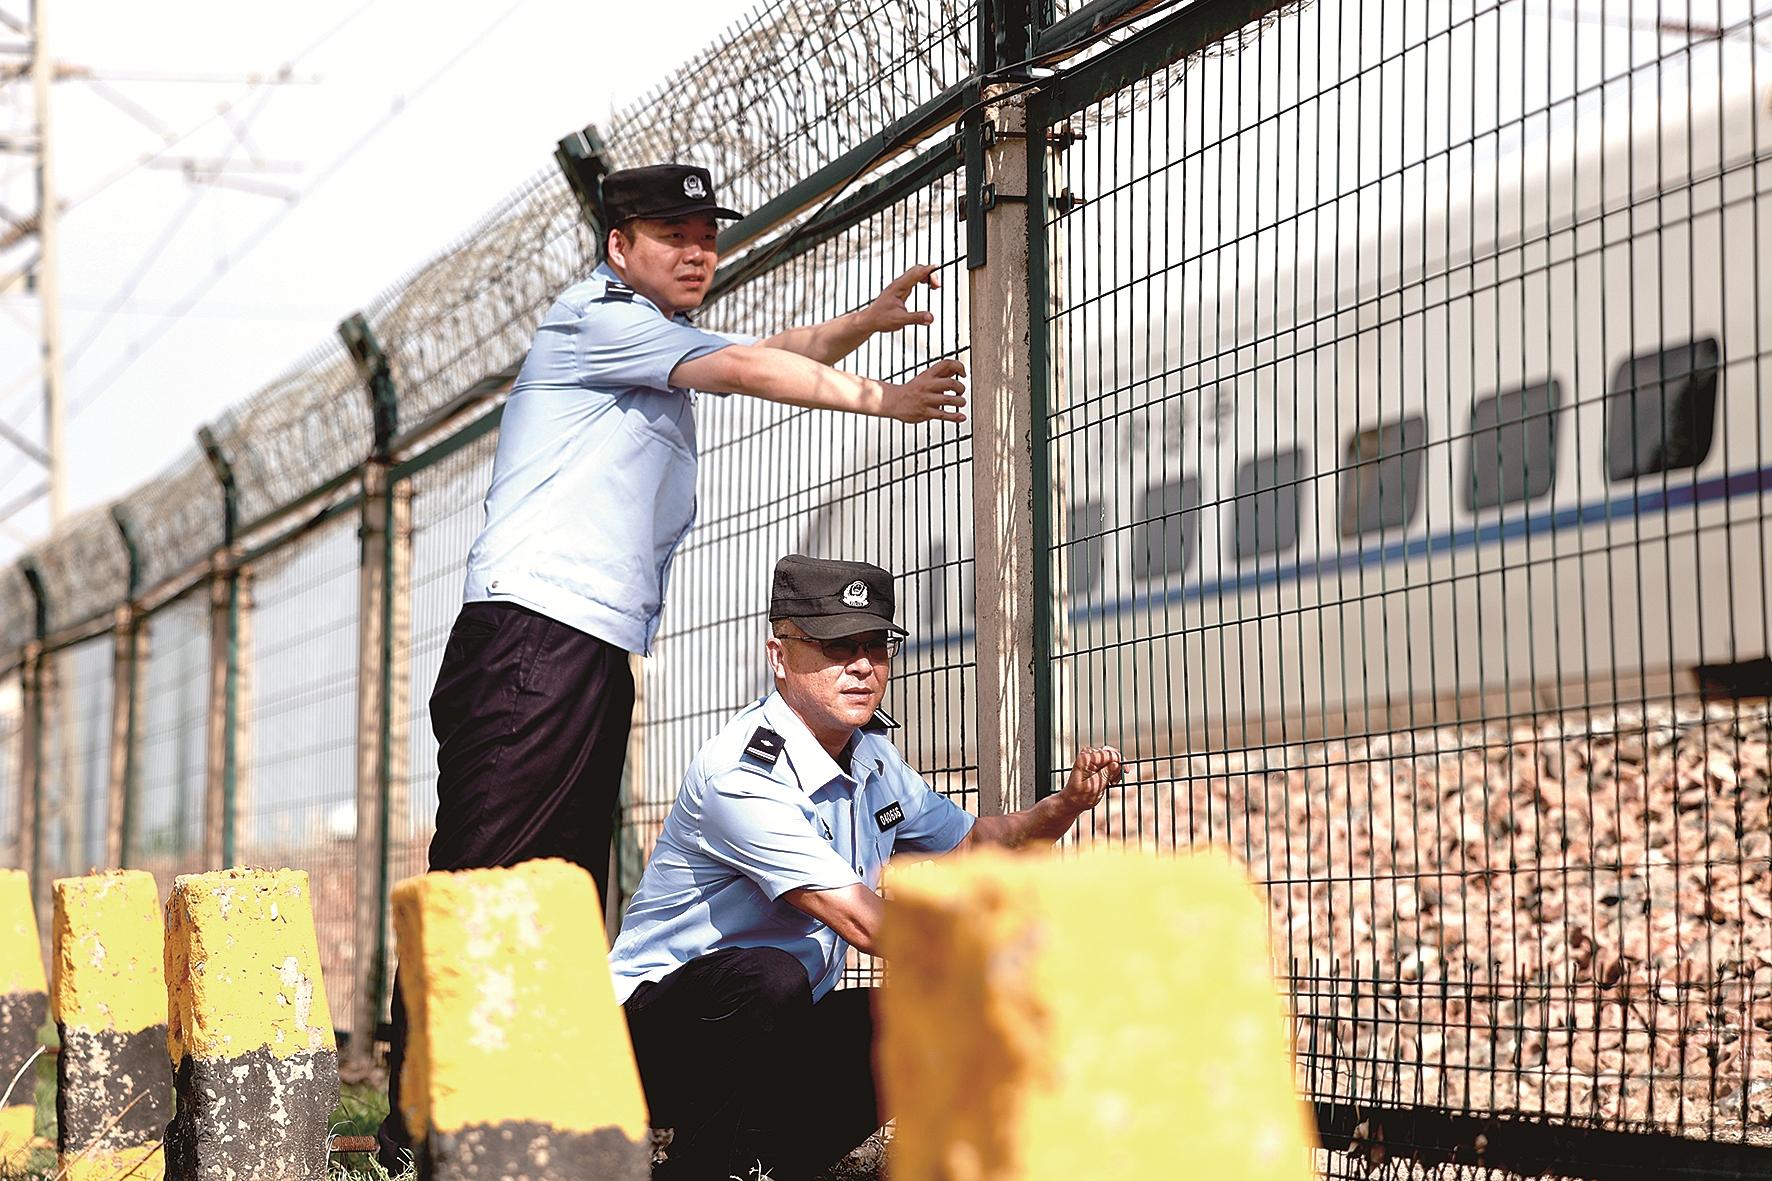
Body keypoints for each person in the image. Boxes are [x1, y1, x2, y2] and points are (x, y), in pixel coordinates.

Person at [377, 164, 969, 1168]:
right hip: (532, 636)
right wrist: (887, 399)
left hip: (585, 644)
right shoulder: (597, 318)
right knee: (486, 875)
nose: (697, 251)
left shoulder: (652, 340)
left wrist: (860, 324)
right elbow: (744, 369)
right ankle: (415, 1132)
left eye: (706, 234)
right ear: (620, 246)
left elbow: (761, 353)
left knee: (558, 889)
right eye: (671, 234)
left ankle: (521, 1114)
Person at [608, 554, 1123, 1180]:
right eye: (836, 646)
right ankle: (700, 1170)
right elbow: (863, 921)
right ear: (779, 656)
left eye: (875, 646)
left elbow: (971, 844)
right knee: (770, 978)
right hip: (647, 1040)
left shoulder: (872, 758)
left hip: (770, 1028)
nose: (861, 666)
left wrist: (1063, 806)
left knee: (922, 1016)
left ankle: (763, 1167)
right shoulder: (742, 774)